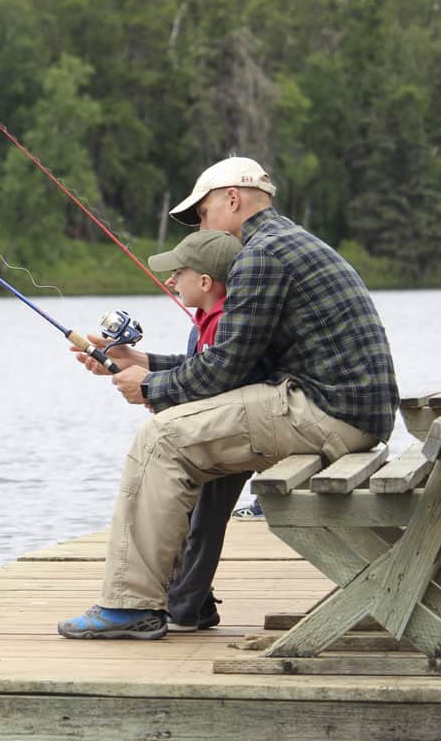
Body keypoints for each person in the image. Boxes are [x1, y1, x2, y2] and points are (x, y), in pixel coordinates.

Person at [57, 156, 398, 640]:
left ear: (231, 200)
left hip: (328, 413)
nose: (203, 227)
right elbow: (243, 363)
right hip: (346, 412)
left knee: (162, 436)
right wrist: (143, 362)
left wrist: (149, 389)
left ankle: (129, 605)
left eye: (202, 214)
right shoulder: (288, 242)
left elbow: (227, 368)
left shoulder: (262, 255)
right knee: (191, 434)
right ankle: (184, 599)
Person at [144, 229, 253, 633]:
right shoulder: (205, 320)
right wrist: (132, 362)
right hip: (212, 434)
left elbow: (214, 384)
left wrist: (149, 390)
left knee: (204, 522)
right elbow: (191, 369)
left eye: (178, 273)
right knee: (188, 517)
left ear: (206, 282)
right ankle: (198, 602)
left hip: (233, 438)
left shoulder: (227, 321)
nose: (171, 281)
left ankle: (185, 610)